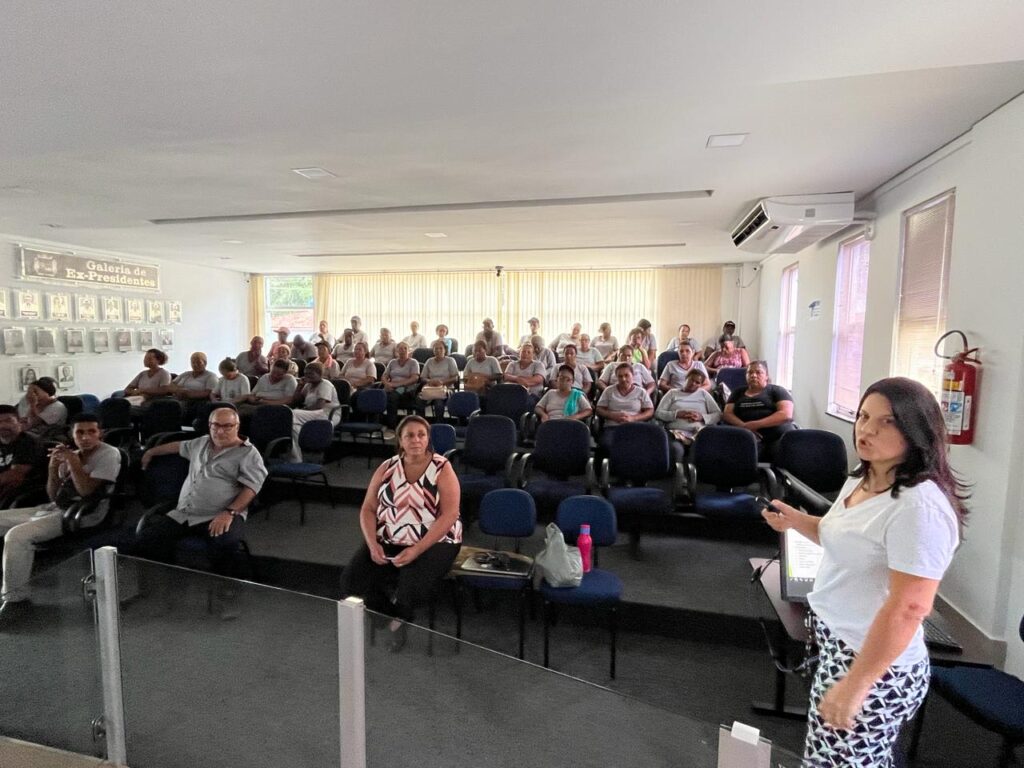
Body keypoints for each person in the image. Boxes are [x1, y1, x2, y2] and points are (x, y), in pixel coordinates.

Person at [762, 377, 966, 766]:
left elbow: (909, 607)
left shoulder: (918, 508)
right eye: (863, 416)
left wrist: (856, 684)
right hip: (839, 644)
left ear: (917, 431)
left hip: (871, 664)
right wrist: (795, 521)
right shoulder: (865, 476)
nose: (867, 429)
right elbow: (841, 535)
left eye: (887, 422)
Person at [340, 415, 461, 651]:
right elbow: (368, 508)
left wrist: (417, 549)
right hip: (390, 536)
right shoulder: (387, 467)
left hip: (435, 539)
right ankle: (390, 618)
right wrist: (372, 543)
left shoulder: (441, 468)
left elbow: (450, 514)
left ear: (428, 438)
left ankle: (399, 621)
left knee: (410, 585)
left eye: (421, 435)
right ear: (400, 440)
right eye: (410, 435)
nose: (416, 440)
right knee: (351, 581)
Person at [0, 413, 121, 622]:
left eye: (91, 431)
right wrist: (53, 468)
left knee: (17, 536)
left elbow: (86, 492)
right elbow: (53, 495)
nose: (85, 437)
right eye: (79, 432)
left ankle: (16, 600)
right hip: (54, 508)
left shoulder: (109, 454)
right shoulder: (72, 454)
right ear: (72, 435)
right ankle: (10, 578)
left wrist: (74, 463)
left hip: (81, 513)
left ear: (100, 433)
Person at [131, 407, 267, 580]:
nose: (220, 431)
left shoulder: (248, 453)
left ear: (237, 427)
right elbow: (178, 446)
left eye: (227, 426)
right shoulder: (201, 442)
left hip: (220, 514)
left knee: (224, 544)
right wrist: (151, 451)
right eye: (216, 425)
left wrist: (230, 512)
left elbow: (252, 488)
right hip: (186, 512)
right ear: (209, 425)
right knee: (148, 539)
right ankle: (168, 579)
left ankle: (222, 586)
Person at [722, 360, 795, 459]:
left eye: (758, 372)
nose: (753, 375)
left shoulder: (777, 390)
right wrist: (744, 426)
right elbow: (727, 414)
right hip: (746, 436)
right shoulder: (737, 392)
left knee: (788, 453)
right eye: (750, 373)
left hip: (776, 437)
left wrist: (756, 424)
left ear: (766, 376)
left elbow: (786, 415)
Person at [655, 369, 721, 459]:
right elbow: (658, 413)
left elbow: (718, 414)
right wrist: (677, 414)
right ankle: (678, 468)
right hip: (675, 433)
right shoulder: (672, 393)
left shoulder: (703, 394)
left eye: (697, 382)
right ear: (686, 378)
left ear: (701, 385)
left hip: (698, 433)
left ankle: (691, 467)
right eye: (691, 380)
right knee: (677, 450)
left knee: (699, 450)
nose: (693, 383)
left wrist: (702, 417)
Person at [288, 362, 340, 461]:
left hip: (327, 414)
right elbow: (296, 400)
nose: (307, 376)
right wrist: (299, 386)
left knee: (292, 414)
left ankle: (296, 457)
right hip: (312, 413)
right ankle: (297, 458)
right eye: (306, 374)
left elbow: (319, 406)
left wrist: (302, 411)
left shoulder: (325, 385)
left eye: (311, 374)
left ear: (320, 374)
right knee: (294, 427)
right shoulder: (308, 385)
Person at [595, 363, 654, 448]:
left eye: (627, 375)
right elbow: (599, 409)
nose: (623, 379)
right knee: (607, 445)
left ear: (632, 375)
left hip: (635, 426)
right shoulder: (608, 391)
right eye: (620, 376)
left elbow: (650, 411)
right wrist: (612, 415)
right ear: (616, 377)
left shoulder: (641, 392)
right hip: (612, 427)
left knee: (639, 445)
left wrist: (633, 418)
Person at [0, 405, 45, 508]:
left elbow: (14, 476)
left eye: (8, 421)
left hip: (24, 493)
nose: (2, 425)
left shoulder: (28, 442)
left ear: (20, 421)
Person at [169, 352, 219, 423]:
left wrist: (188, 394)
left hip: (197, 402)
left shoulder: (211, 376)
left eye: (198, 362)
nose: (195, 365)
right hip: (178, 398)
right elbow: (171, 384)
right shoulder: (186, 374)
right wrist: (177, 390)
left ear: (205, 363)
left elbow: (209, 392)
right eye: (193, 362)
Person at [382, 342, 420, 429]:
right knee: (380, 395)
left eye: (405, 348)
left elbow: (415, 378)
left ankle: (392, 426)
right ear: (397, 350)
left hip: (406, 387)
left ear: (409, 350)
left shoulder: (413, 362)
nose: (402, 350)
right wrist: (387, 384)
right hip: (391, 386)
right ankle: (378, 423)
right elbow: (384, 376)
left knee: (393, 396)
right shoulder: (392, 362)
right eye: (400, 348)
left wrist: (397, 385)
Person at [416, 340, 459, 417]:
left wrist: (442, 382)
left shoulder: (450, 361)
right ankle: (422, 422)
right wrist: (430, 381)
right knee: (419, 400)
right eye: (436, 348)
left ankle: (439, 422)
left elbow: (455, 378)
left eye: (441, 348)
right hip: (431, 388)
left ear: (445, 350)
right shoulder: (429, 361)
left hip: (446, 388)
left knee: (438, 402)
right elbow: (423, 377)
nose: (438, 350)